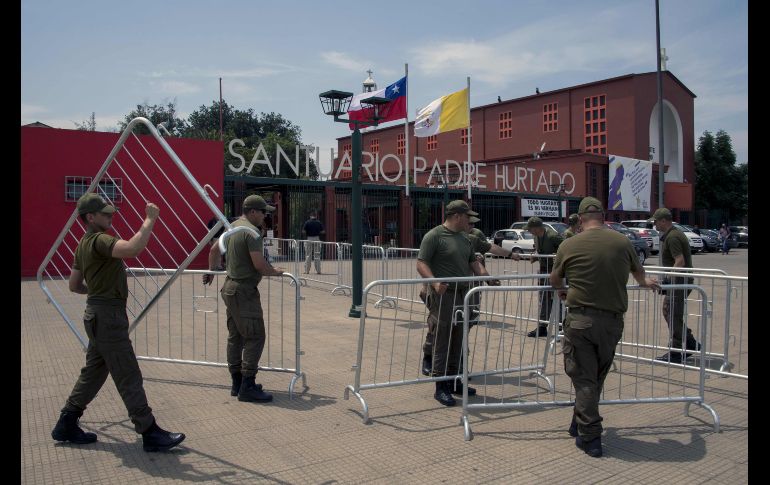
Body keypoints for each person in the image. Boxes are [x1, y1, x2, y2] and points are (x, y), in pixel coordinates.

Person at [52, 193, 185, 452]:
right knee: (128, 374)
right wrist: (149, 219)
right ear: (91, 217)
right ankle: (149, 431)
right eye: (105, 214)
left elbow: (74, 285)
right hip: (108, 318)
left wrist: (97, 293)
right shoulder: (100, 240)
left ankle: (66, 422)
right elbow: (133, 249)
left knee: (93, 373)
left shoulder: (82, 244)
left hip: (96, 314)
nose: (110, 216)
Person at [550, 196, 659, 458]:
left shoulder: (569, 244)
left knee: (584, 378)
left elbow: (555, 279)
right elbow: (639, 274)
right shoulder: (622, 242)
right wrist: (646, 282)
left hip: (580, 321)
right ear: (602, 216)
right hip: (611, 322)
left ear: (580, 219)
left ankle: (591, 437)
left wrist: (563, 290)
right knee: (596, 376)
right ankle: (579, 420)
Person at [203, 195, 284, 402]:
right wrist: (275, 271)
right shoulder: (252, 232)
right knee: (255, 336)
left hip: (230, 288)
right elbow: (259, 264)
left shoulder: (232, 228)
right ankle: (248, 385)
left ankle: (237, 383)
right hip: (244, 291)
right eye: (263, 212)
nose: (265, 216)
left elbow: (213, 250)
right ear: (253, 212)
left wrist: (212, 271)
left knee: (236, 336)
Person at [417, 200, 495, 406]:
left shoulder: (464, 238)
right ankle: (441, 385)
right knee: (443, 338)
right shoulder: (434, 236)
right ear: (457, 216)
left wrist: (487, 277)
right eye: (467, 216)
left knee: (459, 338)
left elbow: (473, 262)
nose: (470, 220)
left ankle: (455, 380)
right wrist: (434, 282)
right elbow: (421, 263)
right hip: (444, 295)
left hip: (463, 294)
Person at [652, 208, 701, 363]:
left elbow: (679, 261)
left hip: (680, 282)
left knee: (672, 314)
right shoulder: (673, 234)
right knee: (670, 312)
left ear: (663, 221)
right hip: (679, 281)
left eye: (655, 221)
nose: (654, 225)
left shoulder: (673, 237)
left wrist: (668, 279)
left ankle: (676, 351)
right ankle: (690, 343)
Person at [523, 217, 564, 337]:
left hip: (556, 271)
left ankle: (562, 327)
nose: (529, 232)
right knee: (544, 298)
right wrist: (536, 256)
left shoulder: (552, 236)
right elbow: (539, 250)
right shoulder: (536, 237)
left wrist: (557, 255)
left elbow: (567, 246)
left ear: (536, 228)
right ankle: (542, 326)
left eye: (530, 229)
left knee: (559, 297)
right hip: (543, 270)